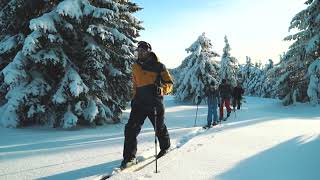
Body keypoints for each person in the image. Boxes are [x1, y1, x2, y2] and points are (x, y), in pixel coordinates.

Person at [120, 41, 173, 169]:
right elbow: (135, 84)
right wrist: (134, 98)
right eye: (139, 51)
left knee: (159, 128)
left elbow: (169, 84)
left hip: (155, 104)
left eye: (143, 51)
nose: (140, 53)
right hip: (139, 104)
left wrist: (162, 89)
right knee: (130, 129)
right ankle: (129, 158)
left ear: (149, 52)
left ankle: (165, 147)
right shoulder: (135, 66)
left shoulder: (159, 66)